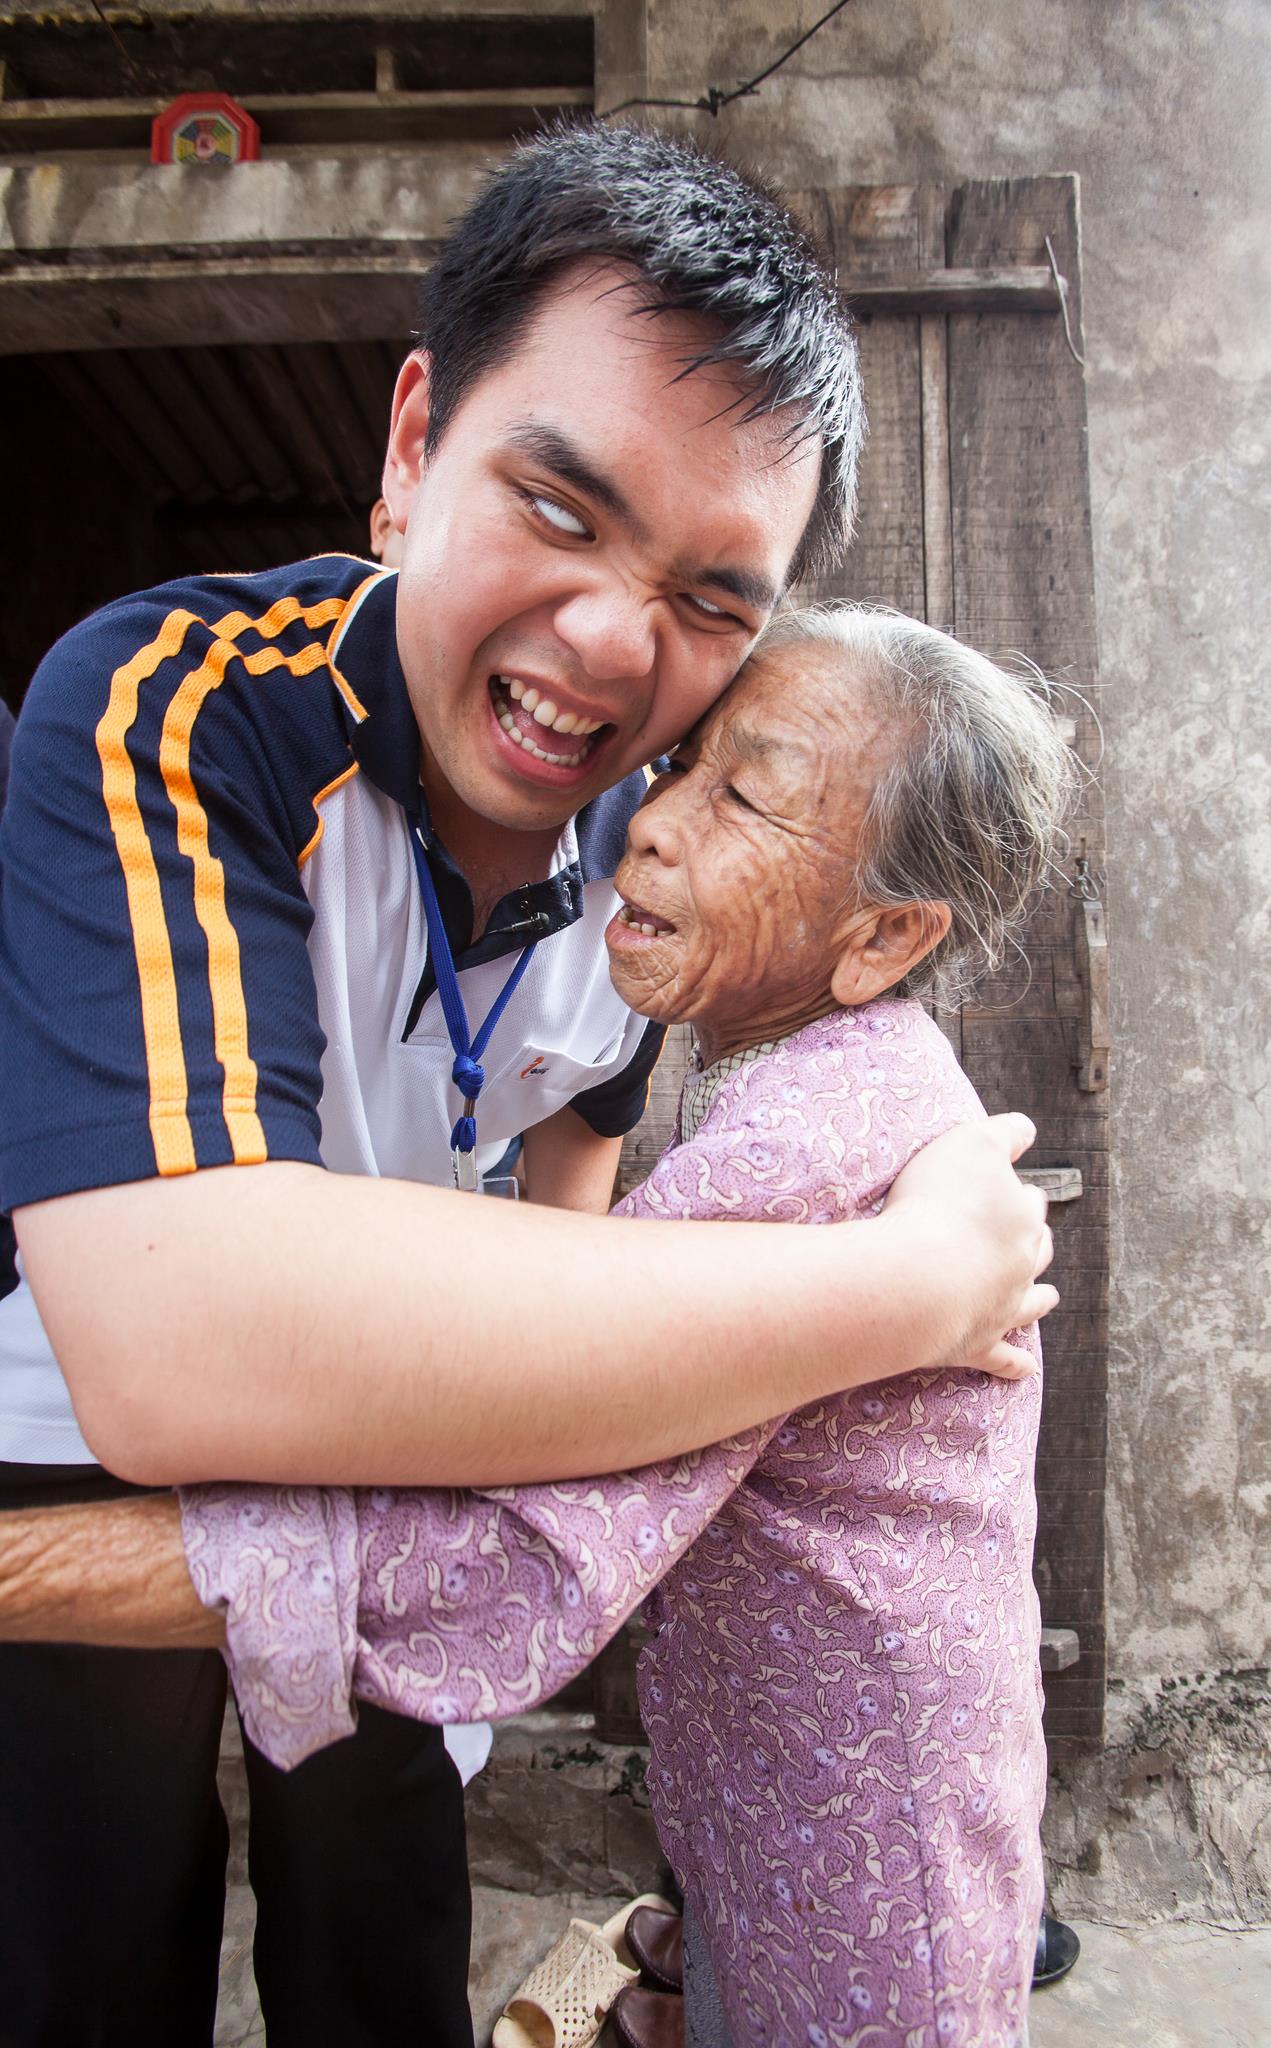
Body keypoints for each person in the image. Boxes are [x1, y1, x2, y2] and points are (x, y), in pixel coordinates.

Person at [0, 129, 1055, 2048]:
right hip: (84, 1424)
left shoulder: (649, 863)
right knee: (87, 1923)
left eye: (711, 599)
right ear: (413, 446)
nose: (607, 653)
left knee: (383, 1909)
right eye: (561, 512)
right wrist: (911, 1293)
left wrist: (547, 1389)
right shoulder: (173, 705)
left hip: (407, 1422)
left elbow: (578, 1215)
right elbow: (173, 1346)